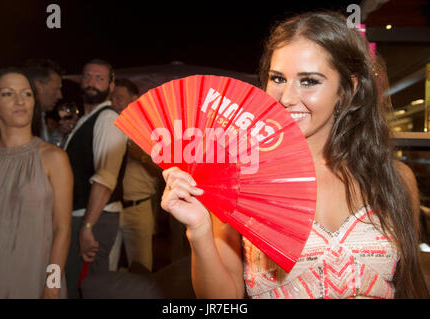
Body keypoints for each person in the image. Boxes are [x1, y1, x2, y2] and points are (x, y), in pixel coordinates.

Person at [160, 11, 429, 299]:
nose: (286, 97)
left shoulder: (395, 179)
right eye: (277, 78)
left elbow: (410, 284)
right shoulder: (238, 181)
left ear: (347, 89)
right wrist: (199, 230)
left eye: (309, 81)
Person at [0, 67, 72, 298]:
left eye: (27, 93)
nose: (20, 100)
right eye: (8, 94)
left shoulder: (53, 158)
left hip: (36, 279)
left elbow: (62, 230)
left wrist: (52, 286)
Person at [64, 59, 127, 298]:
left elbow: (105, 178)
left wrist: (88, 226)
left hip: (94, 218)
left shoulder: (108, 119)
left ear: (111, 86)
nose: (91, 83)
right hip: (83, 216)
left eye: (99, 78)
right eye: (87, 76)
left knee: (87, 289)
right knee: (77, 284)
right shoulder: (88, 119)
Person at [109, 78, 161, 272]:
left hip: (138, 208)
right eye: (112, 98)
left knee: (141, 269)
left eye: (119, 98)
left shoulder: (151, 131)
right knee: (107, 266)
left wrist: (142, 157)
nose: (114, 102)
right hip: (110, 207)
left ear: (134, 100)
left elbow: (163, 171)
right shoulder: (107, 128)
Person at [24, 59, 63, 141]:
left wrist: (59, 133)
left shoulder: (41, 116)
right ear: (38, 87)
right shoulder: (23, 121)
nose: (60, 96)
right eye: (56, 89)